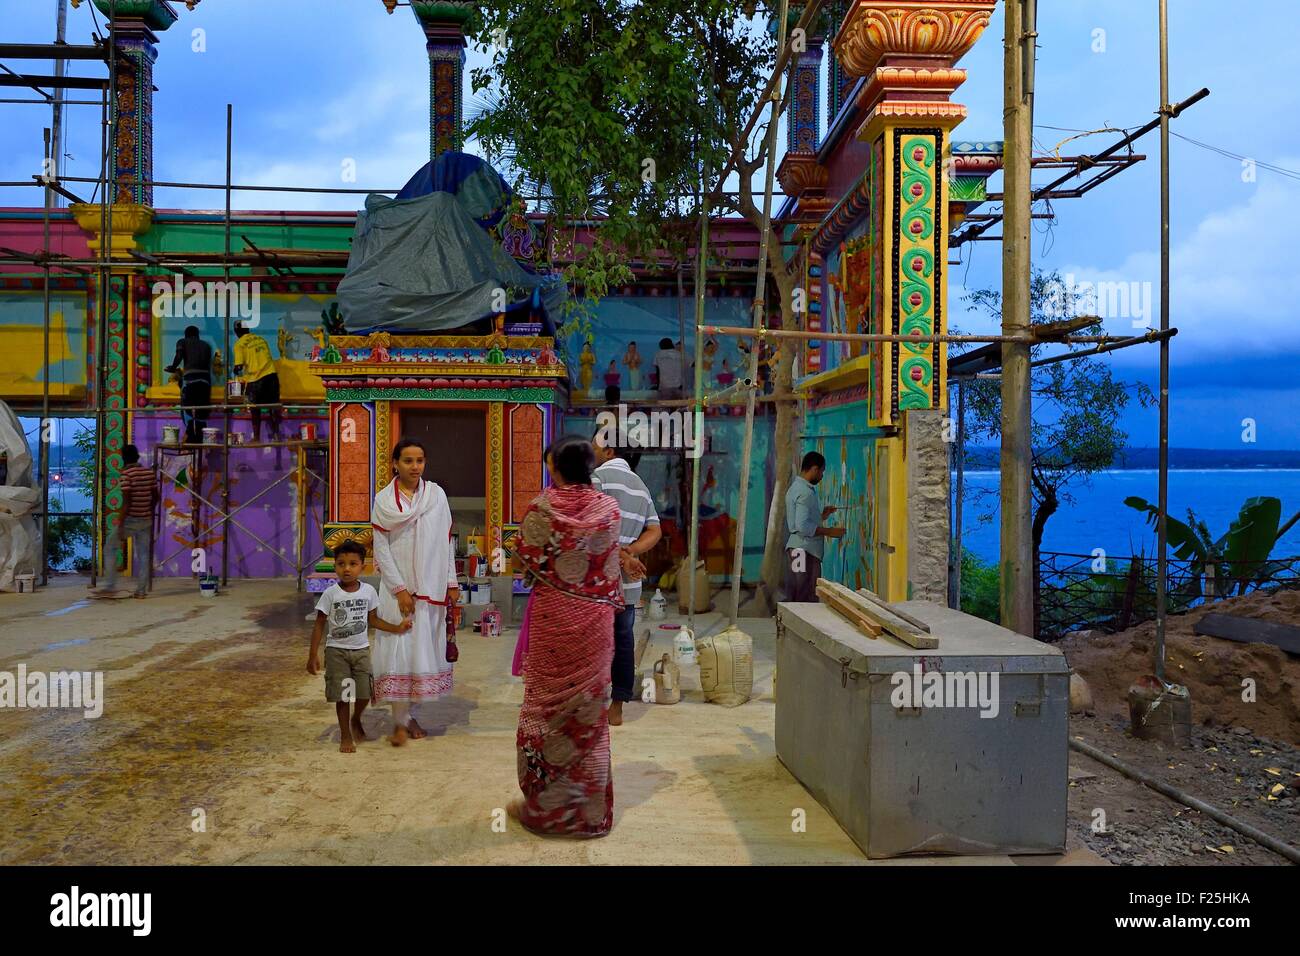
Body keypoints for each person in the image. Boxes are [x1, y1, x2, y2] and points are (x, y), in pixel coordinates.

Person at [508, 435, 622, 837]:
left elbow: (522, 561)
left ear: (555, 467)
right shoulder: (609, 509)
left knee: (544, 709)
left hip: (553, 621)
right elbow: (605, 562)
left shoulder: (542, 507)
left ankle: (545, 811)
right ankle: (590, 816)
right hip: (595, 624)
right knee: (589, 713)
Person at [369, 438, 458, 746]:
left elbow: (446, 542)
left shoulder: (436, 496)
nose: (414, 466)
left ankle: (411, 713)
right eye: (408, 460)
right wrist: (400, 589)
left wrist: (451, 582)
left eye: (419, 460)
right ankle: (400, 719)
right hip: (398, 593)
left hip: (430, 589)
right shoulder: (383, 501)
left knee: (423, 654)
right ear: (395, 463)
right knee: (398, 651)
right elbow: (381, 549)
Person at [307, 539, 411, 753]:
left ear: (362, 567)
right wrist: (312, 655)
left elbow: (373, 620)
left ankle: (356, 718)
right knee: (345, 695)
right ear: (334, 566)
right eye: (341, 564)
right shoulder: (330, 594)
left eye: (353, 564)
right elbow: (319, 625)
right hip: (337, 652)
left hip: (361, 651)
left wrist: (396, 628)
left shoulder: (369, 592)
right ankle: (346, 735)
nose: (347, 569)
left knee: (364, 694)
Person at [591, 430, 662, 727]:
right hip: (629, 585)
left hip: (595, 581)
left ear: (609, 451)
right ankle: (617, 706)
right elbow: (655, 531)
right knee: (623, 640)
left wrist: (622, 555)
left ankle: (590, 703)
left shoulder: (597, 478)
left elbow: (596, 527)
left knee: (593, 642)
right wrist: (630, 552)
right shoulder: (641, 486)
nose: (591, 448)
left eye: (595, 443)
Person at [95, 444, 155, 599]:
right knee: (143, 555)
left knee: (109, 547)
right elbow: (156, 497)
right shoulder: (149, 474)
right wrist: (148, 511)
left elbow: (126, 503)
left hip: (131, 520)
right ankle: (141, 591)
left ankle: (109, 586)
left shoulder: (126, 475)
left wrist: (120, 524)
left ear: (123, 458)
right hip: (146, 519)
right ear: (137, 457)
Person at [784, 450, 845, 602]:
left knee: (797, 591)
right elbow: (802, 526)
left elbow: (800, 521)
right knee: (806, 594)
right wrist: (830, 531)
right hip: (806, 550)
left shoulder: (795, 489)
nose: (822, 476)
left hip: (797, 548)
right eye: (822, 472)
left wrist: (822, 516)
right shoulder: (806, 493)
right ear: (814, 469)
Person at [233, 322, 281, 443]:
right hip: (272, 375)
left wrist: (235, 370)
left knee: (254, 408)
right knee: (273, 407)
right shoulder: (261, 339)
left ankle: (256, 437)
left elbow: (238, 366)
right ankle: (276, 435)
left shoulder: (239, 344)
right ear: (248, 329)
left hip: (255, 379)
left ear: (236, 332)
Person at [164, 326, 213, 443]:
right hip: (205, 383)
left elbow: (179, 357)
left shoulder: (182, 342)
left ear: (186, 335)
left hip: (191, 382)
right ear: (197, 335)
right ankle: (201, 440)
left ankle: (189, 438)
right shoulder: (206, 346)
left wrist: (173, 367)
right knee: (201, 414)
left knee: (188, 412)